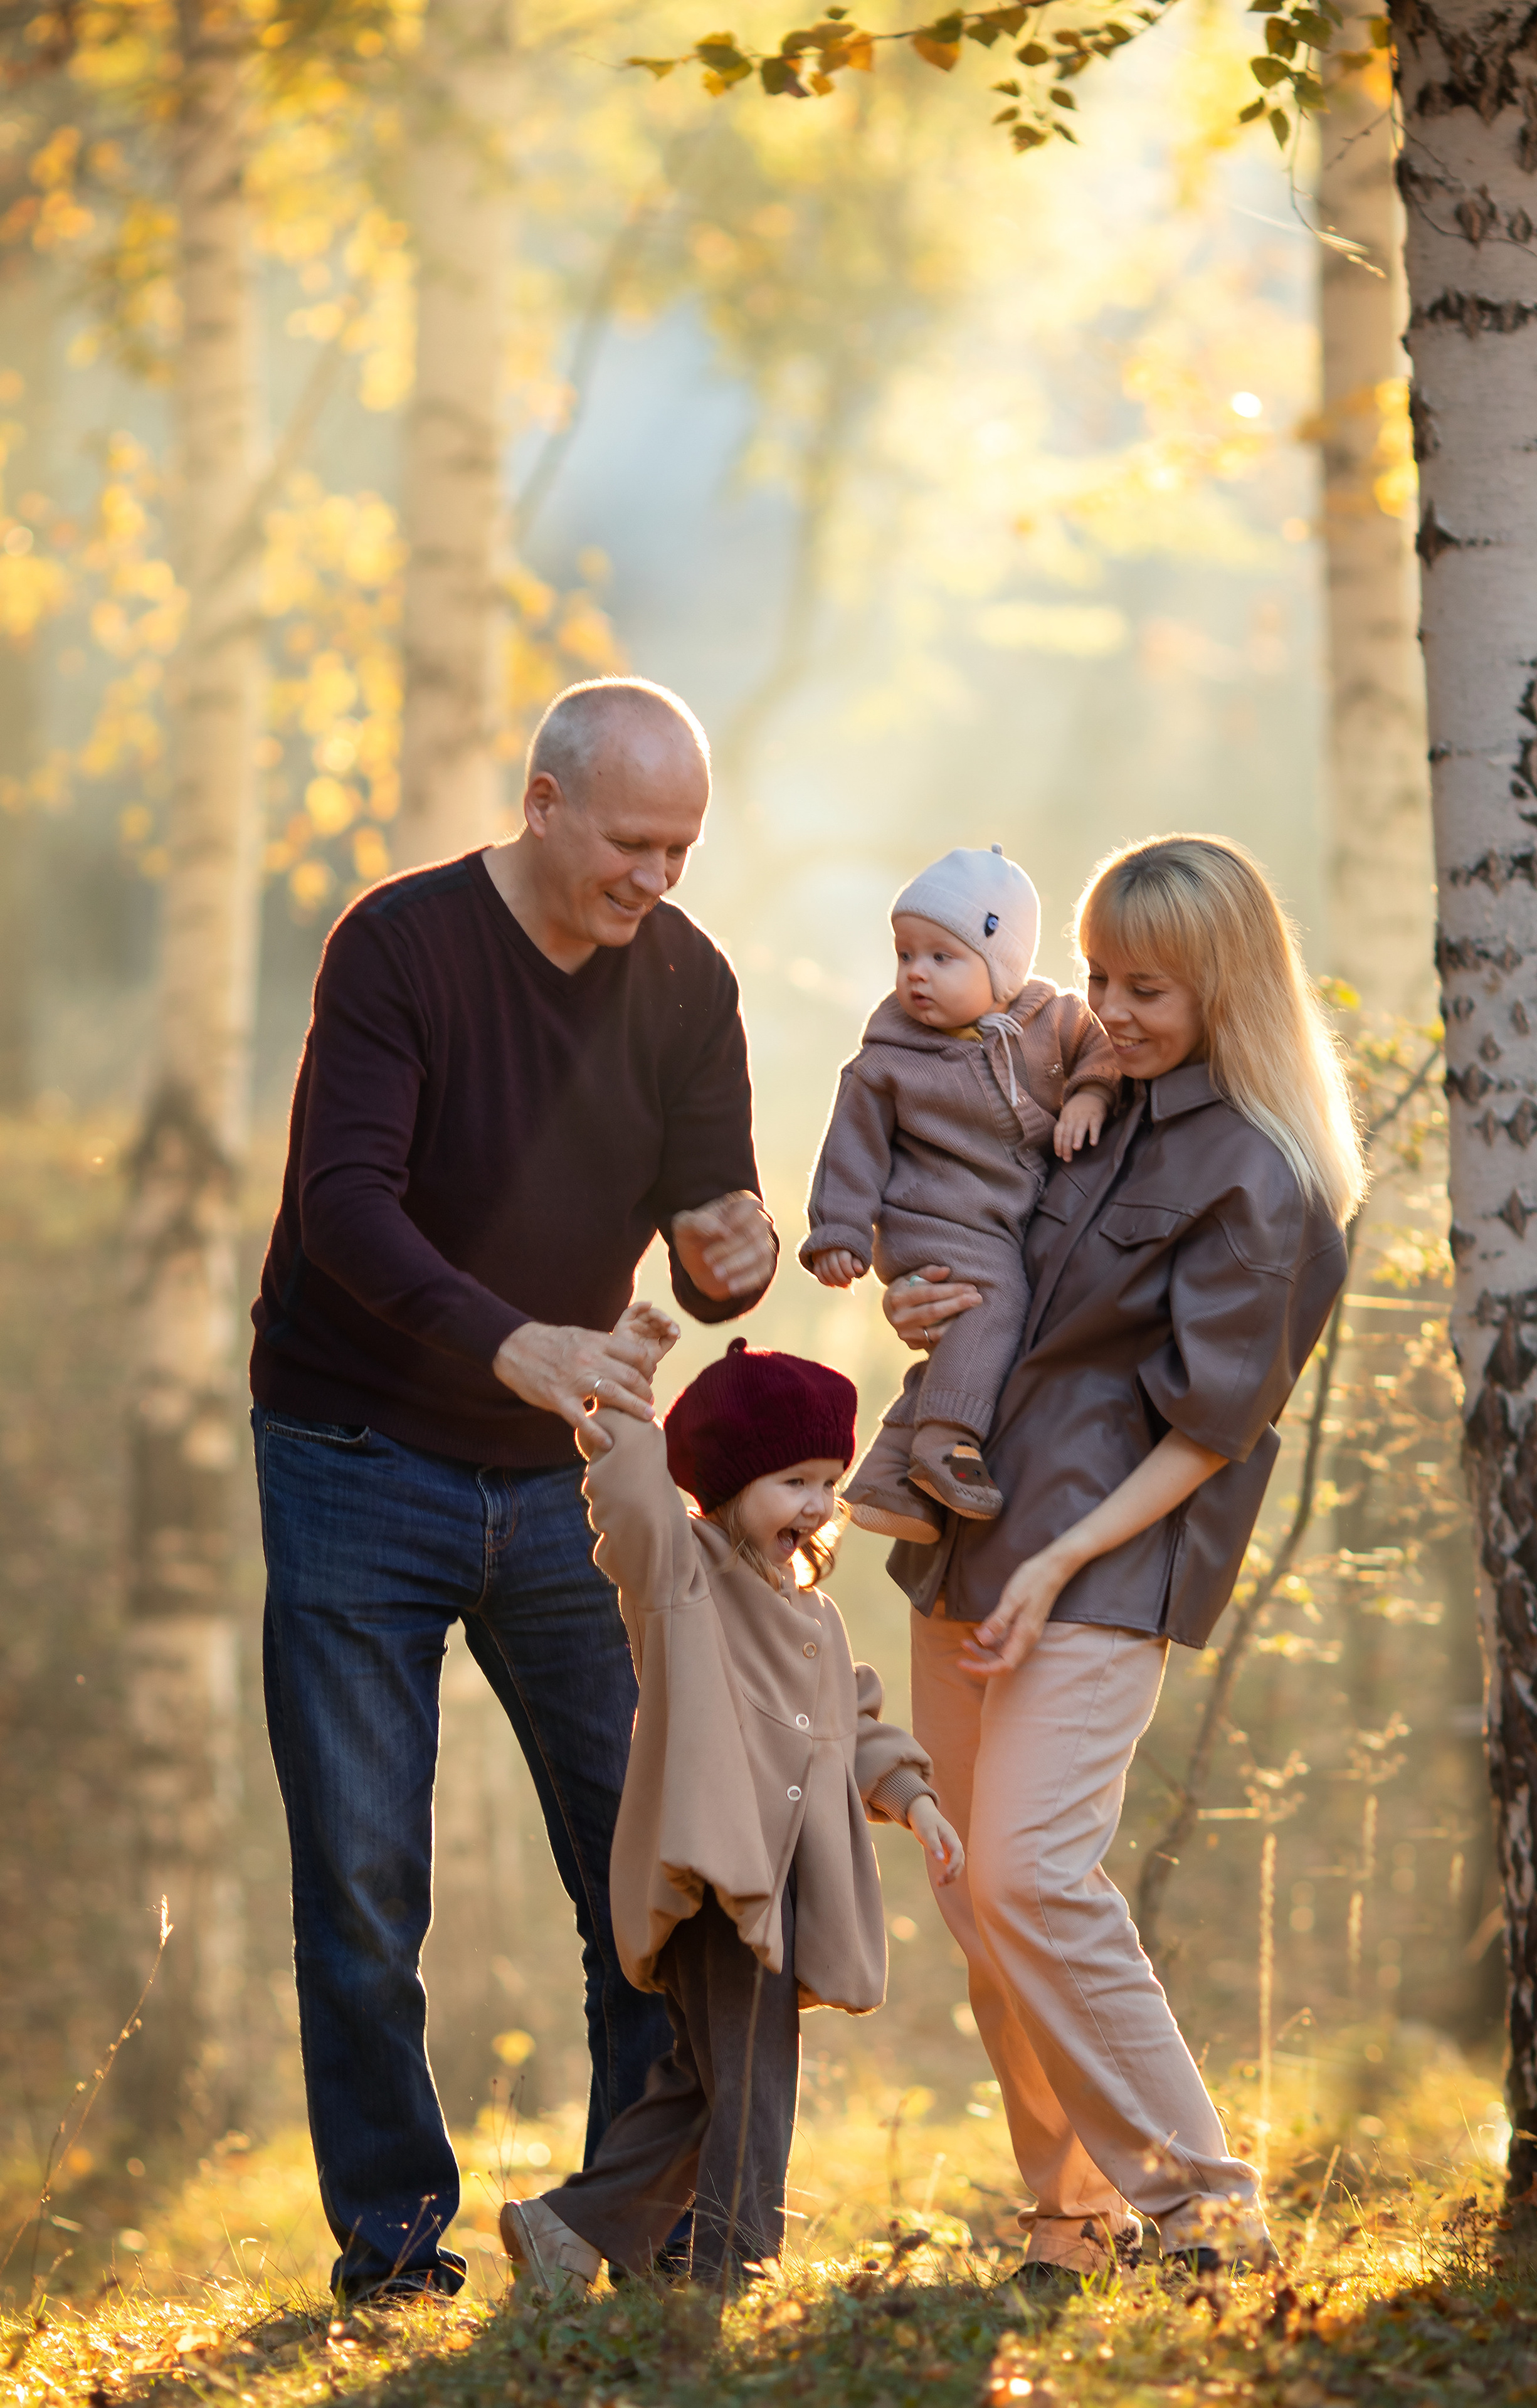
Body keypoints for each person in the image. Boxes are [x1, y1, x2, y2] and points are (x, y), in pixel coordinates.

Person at [249, 676, 780, 2303]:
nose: (657, 880)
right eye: (633, 843)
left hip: (567, 1487)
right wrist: (512, 1346)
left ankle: (639, 2221)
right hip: (353, 1457)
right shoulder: (400, 948)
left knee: (645, 1860)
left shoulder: (687, 984)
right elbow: (344, 1205)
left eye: (682, 849)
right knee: (360, 1878)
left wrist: (732, 1260)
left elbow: (712, 1248)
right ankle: (395, 2248)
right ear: (543, 805)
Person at [878, 834, 1363, 2289]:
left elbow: (1212, 1431)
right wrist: (925, 1300)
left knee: (1032, 1872)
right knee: (976, 1900)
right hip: (973, 1528)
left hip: (1107, 1552)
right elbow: (978, 1251)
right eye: (1094, 973)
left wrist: (1057, 1560)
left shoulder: (1262, 1176)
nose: (1108, 1005)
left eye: (1143, 984)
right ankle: (1067, 2218)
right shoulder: (1073, 1097)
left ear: (1221, 980)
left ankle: (1205, 2209)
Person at [499, 1331, 963, 2293]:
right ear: (726, 1479)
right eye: (795, 1480)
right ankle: (732, 2266)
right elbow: (631, 1495)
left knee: (705, 2083)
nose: (819, 1505)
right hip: (720, 1875)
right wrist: (622, 1388)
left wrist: (914, 1800)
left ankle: (565, 2228)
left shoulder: (813, 1618)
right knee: (754, 2085)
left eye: (830, 1482)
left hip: (787, 1885)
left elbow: (856, 1727)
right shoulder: (683, 1581)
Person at [799, 845, 1117, 1535]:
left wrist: (1089, 1095)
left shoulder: (1049, 1019)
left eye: (941, 958)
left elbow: (1100, 1049)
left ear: (1004, 967)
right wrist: (840, 1232)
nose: (916, 974)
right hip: (934, 1219)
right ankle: (947, 1441)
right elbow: (850, 1150)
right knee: (996, 1304)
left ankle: (887, 1477)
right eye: (905, 954)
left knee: (972, 1336)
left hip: (997, 1220)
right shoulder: (889, 1059)